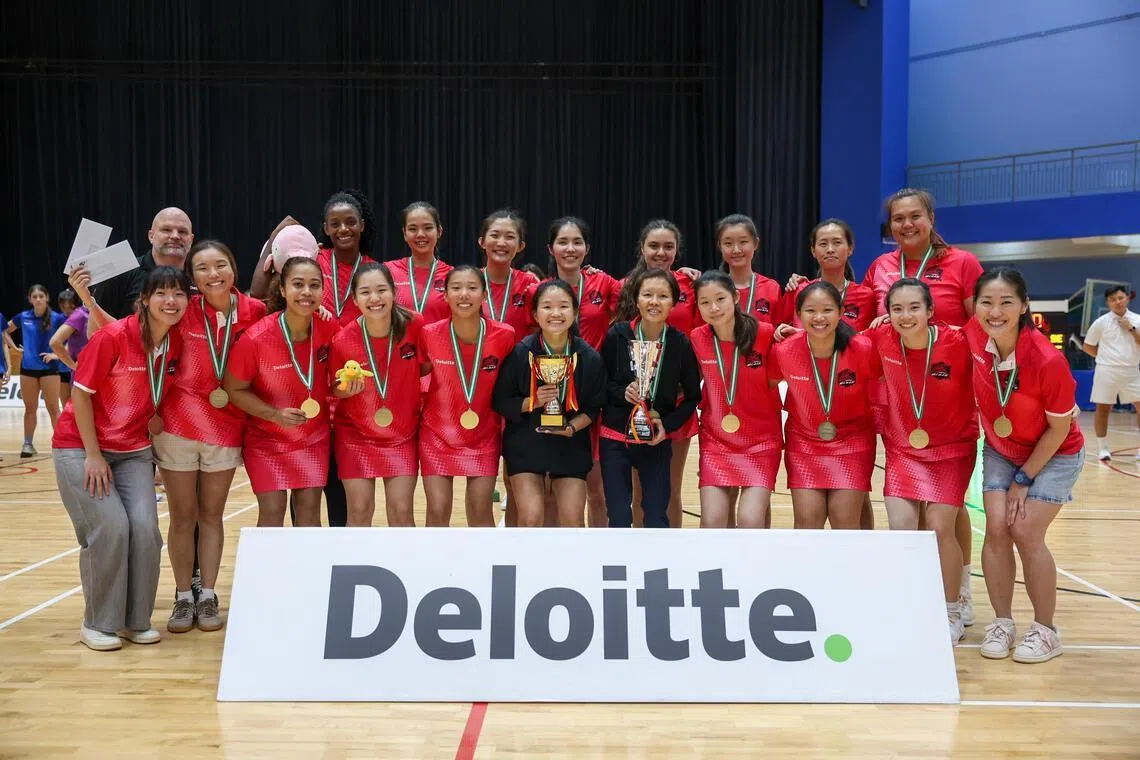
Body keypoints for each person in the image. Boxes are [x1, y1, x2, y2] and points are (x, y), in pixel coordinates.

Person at [52, 266, 190, 651]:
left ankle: (134, 620)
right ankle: (98, 622)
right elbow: (80, 395)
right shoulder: (112, 337)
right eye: (161, 293)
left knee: (146, 529)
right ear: (144, 300)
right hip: (80, 447)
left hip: (133, 452)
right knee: (111, 528)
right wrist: (93, 456)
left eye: (178, 294)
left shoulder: (173, 344)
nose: (170, 301)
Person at [862, 188, 984, 623]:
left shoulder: (962, 263)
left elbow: (981, 324)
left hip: (946, 395)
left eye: (915, 216)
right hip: (903, 403)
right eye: (898, 218)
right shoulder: (879, 267)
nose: (907, 224)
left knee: (946, 518)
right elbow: (860, 320)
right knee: (915, 520)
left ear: (931, 217)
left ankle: (960, 593)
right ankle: (917, 601)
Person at [965, 268, 1085, 664]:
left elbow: (1058, 429)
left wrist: (1023, 478)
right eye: (986, 302)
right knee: (996, 527)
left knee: (1025, 530)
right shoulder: (972, 336)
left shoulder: (1046, 360)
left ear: (1023, 305)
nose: (995, 311)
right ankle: (1002, 622)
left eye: (1006, 303)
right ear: (975, 305)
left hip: (1054, 452)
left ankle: (1046, 630)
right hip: (1002, 447)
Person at [149, 241, 267, 634]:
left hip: (226, 428)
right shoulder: (182, 310)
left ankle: (210, 593)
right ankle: (184, 596)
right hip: (178, 427)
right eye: (202, 268)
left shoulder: (256, 312)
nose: (213, 274)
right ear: (192, 276)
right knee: (183, 516)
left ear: (234, 269)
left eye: (220, 265)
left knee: (212, 515)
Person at [224, 257, 338, 527]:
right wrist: (273, 415)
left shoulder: (330, 330)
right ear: (283, 289)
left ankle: (309, 571)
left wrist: (348, 387)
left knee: (309, 513)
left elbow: (339, 379)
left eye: (314, 285)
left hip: (312, 437)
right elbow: (234, 388)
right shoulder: (256, 338)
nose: (307, 292)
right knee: (272, 511)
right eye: (298, 284)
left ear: (323, 291)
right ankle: (267, 571)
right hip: (266, 439)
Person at [492, 280, 607, 526]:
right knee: (531, 517)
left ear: (575, 312)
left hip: (570, 447)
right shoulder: (521, 353)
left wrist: (572, 428)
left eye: (564, 306)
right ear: (535, 314)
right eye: (547, 307)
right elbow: (501, 401)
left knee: (572, 521)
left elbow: (594, 408)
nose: (556, 313)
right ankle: (526, 565)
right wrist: (531, 402)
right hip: (527, 444)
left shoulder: (589, 357)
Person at [616, 220, 702, 529]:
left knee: (668, 491)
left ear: (677, 251)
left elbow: (701, 336)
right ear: (642, 249)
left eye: (668, 246)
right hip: (635, 403)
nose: (661, 253)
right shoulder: (624, 286)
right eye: (654, 246)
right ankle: (639, 561)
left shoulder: (692, 286)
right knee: (640, 490)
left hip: (675, 404)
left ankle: (670, 560)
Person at [769, 282, 877, 529]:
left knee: (845, 521)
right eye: (810, 311)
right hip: (804, 442)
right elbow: (763, 384)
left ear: (840, 312)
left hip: (852, 441)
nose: (818, 317)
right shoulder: (784, 352)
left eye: (827, 310)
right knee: (807, 521)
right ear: (798, 315)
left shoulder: (863, 348)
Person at [599, 268, 700, 528]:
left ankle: (655, 569)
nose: (654, 302)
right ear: (636, 299)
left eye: (663, 296)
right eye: (648, 295)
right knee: (619, 515)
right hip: (615, 438)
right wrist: (622, 393)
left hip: (655, 440)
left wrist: (667, 426)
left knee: (656, 515)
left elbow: (692, 398)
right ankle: (619, 568)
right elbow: (601, 384)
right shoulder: (617, 335)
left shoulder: (680, 344)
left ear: (674, 302)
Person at [417, 265, 516, 526]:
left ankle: (484, 567)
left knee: (481, 509)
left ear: (484, 295)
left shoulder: (504, 335)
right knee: (437, 510)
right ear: (445, 295)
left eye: (472, 288)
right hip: (437, 434)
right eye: (456, 288)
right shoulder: (428, 335)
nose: (464, 294)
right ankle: (435, 567)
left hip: (484, 434)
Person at [330, 263, 424, 527]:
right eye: (365, 292)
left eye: (381, 290)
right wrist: (346, 390)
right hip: (356, 434)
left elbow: (427, 366)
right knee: (359, 511)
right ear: (355, 299)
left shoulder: (415, 326)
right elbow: (335, 388)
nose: (374, 298)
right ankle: (354, 568)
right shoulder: (343, 339)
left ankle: (407, 568)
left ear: (394, 292)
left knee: (401, 511)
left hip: (401, 434)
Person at [691, 271, 782, 529]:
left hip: (761, 442)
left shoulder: (765, 334)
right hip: (717, 440)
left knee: (750, 521)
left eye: (720, 298)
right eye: (705, 302)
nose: (714, 307)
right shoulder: (698, 338)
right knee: (712, 523)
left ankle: (755, 570)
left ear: (736, 297)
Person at [547, 217, 620, 528]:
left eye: (577, 242)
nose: (570, 248)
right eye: (563, 242)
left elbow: (646, 290)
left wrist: (685, 277)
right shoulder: (539, 289)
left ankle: (597, 555)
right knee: (550, 483)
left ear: (587, 248)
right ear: (551, 248)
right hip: (552, 394)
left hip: (594, 397)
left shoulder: (605, 285)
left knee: (596, 486)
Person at [78, 207, 194, 326]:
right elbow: (94, 332)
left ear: (191, 239)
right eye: (166, 229)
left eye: (182, 232)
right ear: (151, 236)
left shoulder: (199, 277)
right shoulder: (123, 272)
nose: (175, 236)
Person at [779, 219, 876, 334]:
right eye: (823, 244)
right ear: (813, 251)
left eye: (837, 243)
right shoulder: (798, 290)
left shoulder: (866, 296)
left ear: (850, 249)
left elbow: (871, 338)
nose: (830, 249)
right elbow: (780, 331)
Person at [1081, 285, 1140, 460]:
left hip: (1132, 371)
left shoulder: (1137, 320)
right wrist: (1105, 357)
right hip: (1106, 371)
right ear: (1108, 303)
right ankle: (1102, 448)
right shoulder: (1101, 322)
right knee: (1103, 408)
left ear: (1127, 298)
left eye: (1120, 298)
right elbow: (1087, 346)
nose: (1117, 302)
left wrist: (1130, 328)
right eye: (1113, 299)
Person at [6, 284, 66, 456]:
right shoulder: (22, 317)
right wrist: (14, 348)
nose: (38, 299)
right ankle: (27, 444)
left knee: (54, 409)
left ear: (47, 298)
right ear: (30, 300)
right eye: (35, 297)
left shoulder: (58, 318)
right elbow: (5, 331)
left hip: (50, 370)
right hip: (28, 370)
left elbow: (71, 339)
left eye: (41, 296)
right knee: (29, 409)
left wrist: (57, 355)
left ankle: (62, 443)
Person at [387, 202, 453, 324]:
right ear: (404, 234)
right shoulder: (388, 271)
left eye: (428, 228)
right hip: (398, 343)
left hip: (439, 343)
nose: (420, 234)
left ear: (439, 231)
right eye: (413, 229)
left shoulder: (452, 275)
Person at [479, 209, 540, 338]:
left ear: (520, 246)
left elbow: (537, 334)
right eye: (494, 235)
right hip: (477, 357)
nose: (501, 243)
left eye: (510, 237)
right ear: (482, 242)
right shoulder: (470, 282)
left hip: (520, 357)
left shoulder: (530, 284)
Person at [715, 214, 782, 325]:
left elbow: (780, 333)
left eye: (743, 242)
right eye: (728, 243)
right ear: (720, 246)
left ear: (755, 244)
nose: (736, 250)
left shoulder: (771, 288)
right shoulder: (712, 288)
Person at [53, 290, 82, 403]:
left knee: (78, 402)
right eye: (64, 306)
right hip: (63, 367)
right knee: (65, 403)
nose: (67, 309)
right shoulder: (57, 318)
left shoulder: (81, 317)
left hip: (77, 366)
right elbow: (53, 341)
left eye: (69, 306)